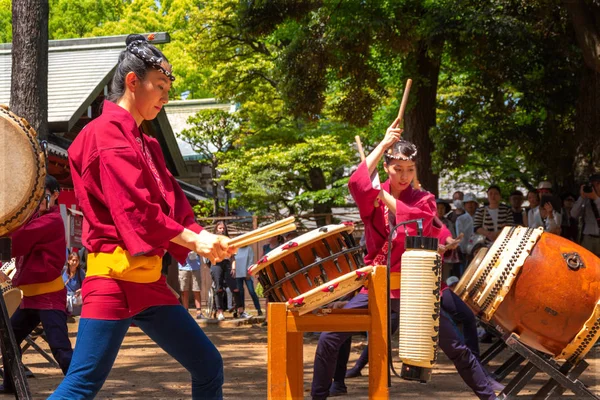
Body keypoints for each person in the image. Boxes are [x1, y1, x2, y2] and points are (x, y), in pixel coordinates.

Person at [50, 34, 232, 399]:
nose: (166, 97)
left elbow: (174, 205)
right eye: (160, 86)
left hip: (148, 282)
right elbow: (135, 210)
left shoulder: (145, 142)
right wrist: (193, 240)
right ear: (133, 82)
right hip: (113, 279)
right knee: (82, 384)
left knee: (208, 364)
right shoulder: (102, 134)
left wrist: (202, 235)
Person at [311, 118, 498, 400]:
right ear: (387, 167)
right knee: (329, 338)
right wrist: (384, 143)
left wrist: (382, 195)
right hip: (375, 286)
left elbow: (416, 218)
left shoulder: (423, 199)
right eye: (398, 169)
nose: (404, 175)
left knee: (453, 345)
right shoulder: (372, 196)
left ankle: (491, 395)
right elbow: (355, 182)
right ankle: (318, 396)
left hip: (414, 287)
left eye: (409, 170)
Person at [0, 175, 73, 393]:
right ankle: (12, 384)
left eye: (44, 194)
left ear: (56, 194)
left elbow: (20, 240)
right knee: (10, 339)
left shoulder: (52, 220)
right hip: (30, 297)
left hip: (49, 297)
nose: (40, 198)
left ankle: (80, 387)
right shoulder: (36, 218)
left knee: (59, 347)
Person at [208, 221, 244, 320]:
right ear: (216, 229)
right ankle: (220, 312)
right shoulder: (212, 240)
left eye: (223, 228)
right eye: (220, 228)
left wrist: (233, 267)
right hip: (216, 264)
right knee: (218, 288)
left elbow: (232, 256)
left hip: (227, 264)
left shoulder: (229, 241)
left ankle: (241, 311)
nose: (222, 230)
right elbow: (207, 254)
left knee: (235, 288)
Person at [571, 173, 600, 256]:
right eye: (593, 184)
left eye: (598, 184)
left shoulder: (595, 199)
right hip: (588, 239)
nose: (596, 187)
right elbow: (573, 214)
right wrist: (582, 197)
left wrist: (596, 198)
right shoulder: (586, 200)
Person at [234, 245, 262, 316]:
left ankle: (258, 309)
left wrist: (248, 272)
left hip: (247, 273)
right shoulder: (236, 249)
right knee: (240, 292)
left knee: (251, 291)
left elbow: (251, 261)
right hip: (238, 274)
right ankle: (241, 310)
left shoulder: (249, 249)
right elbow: (234, 260)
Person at [178, 251, 205, 319]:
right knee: (184, 291)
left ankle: (199, 312)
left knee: (197, 290)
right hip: (183, 267)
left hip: (195, 266)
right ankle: (185, 312)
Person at [62, 251, 86, 317]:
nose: (75, 262)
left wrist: (81, 290)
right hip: (64, 300)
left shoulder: (80, 272)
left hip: (76, 301)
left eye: (77, 260)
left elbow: (86, 284)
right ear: (69, 261)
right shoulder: (63, 270)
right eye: (73, 260)